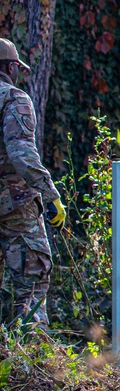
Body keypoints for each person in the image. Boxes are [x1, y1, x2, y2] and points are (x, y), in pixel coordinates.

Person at [0, 38, 66, 327]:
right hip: (14, 206)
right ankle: (34, 359)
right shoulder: (14, 99)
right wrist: (50, 195)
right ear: (11, 67)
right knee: (32, 284)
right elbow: (21, 154)